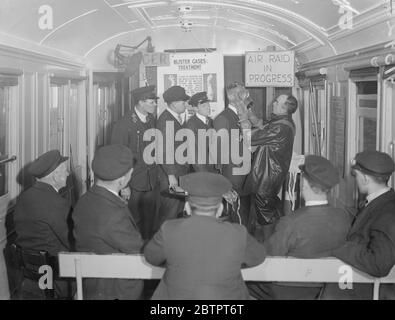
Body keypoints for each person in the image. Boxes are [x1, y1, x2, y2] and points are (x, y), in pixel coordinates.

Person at [144, 172, 266, 300]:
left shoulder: (169, 229)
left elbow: (151, 257)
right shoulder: (238, 233)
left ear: (187, 208)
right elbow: (258, 257)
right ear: (220, 209)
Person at [248, 155, 351, 300]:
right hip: (329, 288)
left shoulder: (290, 222)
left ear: (304, 185)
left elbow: (269, 255)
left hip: (289, 290)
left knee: (245, 280)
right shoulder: (343, 217)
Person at [321, 151, 395, 300]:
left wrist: (339, 248)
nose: (355, 180)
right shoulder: (381, 202)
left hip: (370, 289)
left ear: (366, 178)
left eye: (356, 176)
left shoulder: (387, 213)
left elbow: (379, 264)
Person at [73, 145, 143, 300]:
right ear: (122, 180)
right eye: (130, 173)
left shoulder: (84, 201)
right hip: (116, 290)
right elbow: (138, 249)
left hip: (92, 285)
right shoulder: (114, 215)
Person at [237, 93, 298, 241]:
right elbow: (261, 125)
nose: (273, 104)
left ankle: (270, 249)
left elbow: (250, 139)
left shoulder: (280, 128)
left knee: (265, 215)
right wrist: (250, 114)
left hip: (266, 177)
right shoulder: (284, 122)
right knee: (268, 210)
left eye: (276, 102)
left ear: (284, 108)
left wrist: (244, 119)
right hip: (270, 175)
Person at [13, 150, 71, 299]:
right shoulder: (57, 203)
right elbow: (73, 241)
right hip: (55, 280)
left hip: (29, 279)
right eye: (65, 170)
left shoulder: (23, 198)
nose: (68, 173)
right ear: (55, 175)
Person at [111, 85, 158, 240]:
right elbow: (117, 158)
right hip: (133, 182)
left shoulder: (151, 119)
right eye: (151, 102)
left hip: (150, 180)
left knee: (149, 221)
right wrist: (123, 185)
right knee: (133, 222)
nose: (155, 105)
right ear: (140, 102)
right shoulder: (124, 124)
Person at [213, 83, 252, 229]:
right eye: (244, 95)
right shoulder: (223, 119)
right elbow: (218, 154)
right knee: (236, 217)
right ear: (234, 97)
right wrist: (223, 183)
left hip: (244, 173)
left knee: (244, 215)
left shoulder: (242, 116)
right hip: (233, 175)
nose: (247, 98)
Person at [155, 86, 190, 230]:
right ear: (174, 103)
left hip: (178, 173)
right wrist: (171, 175)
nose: (186, 105)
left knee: (177, 212)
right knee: (170, 213)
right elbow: (163, 150)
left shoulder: (175, 118)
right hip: (170, 176)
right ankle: (163, 246)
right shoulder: (166, 121)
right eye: (184, 102)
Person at [185, 91, 216, 173]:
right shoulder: (191, 124)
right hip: (200, 170)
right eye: (204, 106)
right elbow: (193, 153)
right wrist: (203, 173)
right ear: (195, 108)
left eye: (208, 105)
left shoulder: (211, 121)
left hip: (213, 167)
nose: (208, 108)